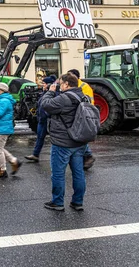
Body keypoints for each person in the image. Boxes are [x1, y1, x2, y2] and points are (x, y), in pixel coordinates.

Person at [40, 73, 87, 211]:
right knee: (78, 172)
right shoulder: (83, 96)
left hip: (62, 142)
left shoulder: (64, 98)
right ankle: (78, 202)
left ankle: (58, 202)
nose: (60, 86)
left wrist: (49, 92)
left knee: (58, 173)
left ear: (67, 84)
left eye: (61, 83)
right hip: (79, 140)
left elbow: (45, 105)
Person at [68, 69, 96, 170]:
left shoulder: (84, 87)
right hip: (78, 114)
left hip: (83, 115)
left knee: (79, 136)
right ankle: (86, 156)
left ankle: (88, 155)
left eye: (69, 75)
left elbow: (86, 103)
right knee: (78, 136)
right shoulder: (76, 86)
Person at [25, 75, 57, 162]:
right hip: (42, 120)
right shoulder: (44, 93)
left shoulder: (53, 93)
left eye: (44, 83)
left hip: (48, 120)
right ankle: (35, 154)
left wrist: (47, 115)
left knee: (56, 139)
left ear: (49, 84)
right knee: (40, 137)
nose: (42, 85)